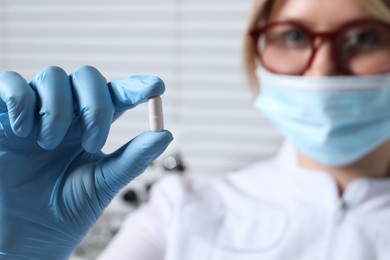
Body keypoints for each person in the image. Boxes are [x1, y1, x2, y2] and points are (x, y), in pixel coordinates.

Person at [0, 0, 389, 259]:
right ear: (257, 55)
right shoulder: (180, 210)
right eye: (294, 36)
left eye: (364, 38)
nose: (322, 70)